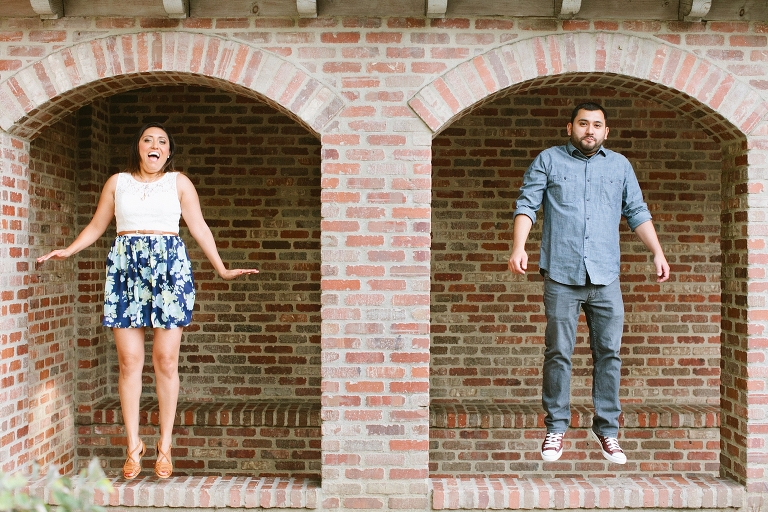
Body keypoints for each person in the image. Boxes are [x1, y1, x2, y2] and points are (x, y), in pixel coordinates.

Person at [36, 122, 259, 479]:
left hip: (169, 272)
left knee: (166, 360)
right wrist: (69, 249)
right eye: (147, 140)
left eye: (162, 142)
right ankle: (133, 446)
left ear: (169, 153)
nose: (154, 146)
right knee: (129, 361)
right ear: (138, 148)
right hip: (126, 270)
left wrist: (221, 268)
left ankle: (165, 446)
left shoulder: (179, 183)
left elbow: (199, 226)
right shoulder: (117, 182)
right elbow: (97, 225)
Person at [508, 102, 669, 465]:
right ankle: (556, 427)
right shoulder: (548, 160)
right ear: (570, 128)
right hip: (562, 275)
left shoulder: (620, 166)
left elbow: (637, 211)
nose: (590, 130)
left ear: (606, 131)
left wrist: (657, 252)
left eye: (597, 124)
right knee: (558, 353)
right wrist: (519, 246)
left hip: (605, 276)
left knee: (609, 354)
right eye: (583, 124)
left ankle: (608, 431)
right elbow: (527, 204)